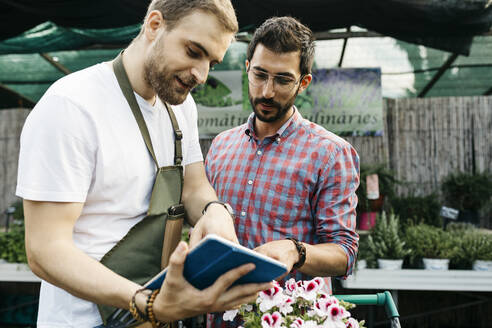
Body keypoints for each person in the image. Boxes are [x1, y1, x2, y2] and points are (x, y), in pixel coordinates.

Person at [16, 1, 273, 328]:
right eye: (194, 51)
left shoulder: (182, 107)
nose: (202, 75)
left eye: (212, 61)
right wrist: (147, 301)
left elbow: (194, 186)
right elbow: (46, 250)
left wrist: (215, 212)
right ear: (154, 25)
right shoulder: (72, 106)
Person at [205, 16, 360, 325]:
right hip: (222, 316)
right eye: (259, 75)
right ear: (247, 67)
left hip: (291, 318)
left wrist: (296, 252)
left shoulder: (330, 153)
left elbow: (345, 254)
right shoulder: (221, 146)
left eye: (283, 80)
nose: (267, 91)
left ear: (304, 82)